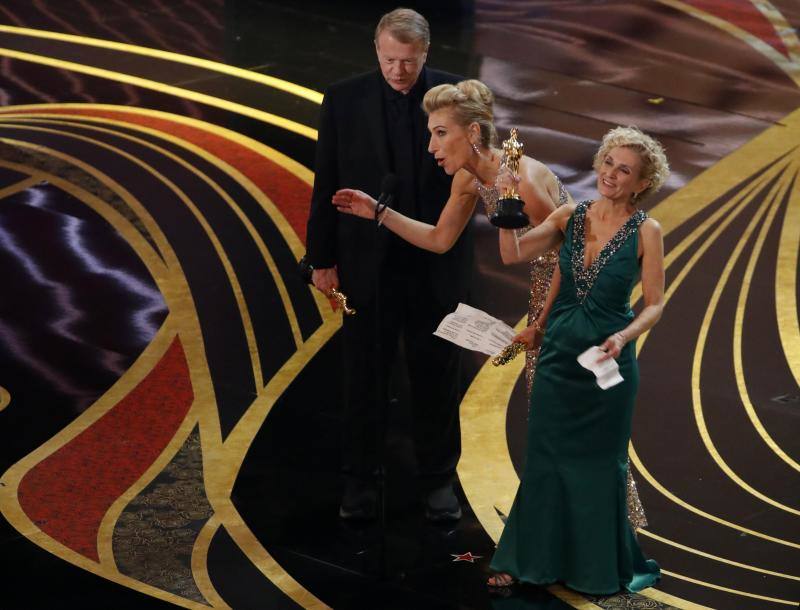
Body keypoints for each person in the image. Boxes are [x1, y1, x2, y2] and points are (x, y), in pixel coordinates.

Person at [486, 126, 669, 593]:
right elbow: (515, 256)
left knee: (598, 466)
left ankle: (595, 568)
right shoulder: (571, 215)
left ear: (641, 182)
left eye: (624, 169)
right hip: (559, 358)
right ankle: (529, 558)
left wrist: (624, 337)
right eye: (608, 162)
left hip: (608, 366)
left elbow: (654, 303)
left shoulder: (648, 231)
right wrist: (507, 205)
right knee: (545, 460)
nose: (610, 174)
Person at [305, 8, 469, 522]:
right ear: (376, 50)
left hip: (433, 262)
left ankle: (438, 480)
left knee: (436, 375)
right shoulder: (344, 98)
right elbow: (325, 178)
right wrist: (320, 259)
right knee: (364, 376)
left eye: (408, 61)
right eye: (389, 59)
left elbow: (482, 172)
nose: (398, 71)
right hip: (366, 264)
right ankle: (360, 481)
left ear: (426, 55)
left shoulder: (456, 99)